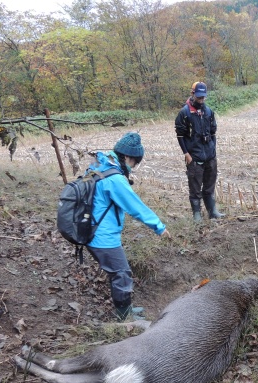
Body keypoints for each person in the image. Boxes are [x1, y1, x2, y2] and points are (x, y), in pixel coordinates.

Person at [87, 132, 169, 320]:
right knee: (122, 273)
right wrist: (160, 227)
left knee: (117, 272)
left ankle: (125, 309)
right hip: (101, 235)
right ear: (126, 157)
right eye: (134, 163)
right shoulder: (114, 179)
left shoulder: (99, 165)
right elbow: (135, 206)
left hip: (91, 228)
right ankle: (124, 317)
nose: (133, 167)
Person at [175, 81, 223, 223]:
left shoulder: (208, 112)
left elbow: (213, 131)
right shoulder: (184, 113)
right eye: (199, 97)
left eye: (203, 97)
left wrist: (213, 149)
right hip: (194, 157)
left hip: (210, 156)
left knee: (209, 185)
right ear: (192, 94)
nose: (201, 100)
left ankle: (212, 212)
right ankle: (197, 215)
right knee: (195, 188)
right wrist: (186, 154)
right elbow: (180, 135)